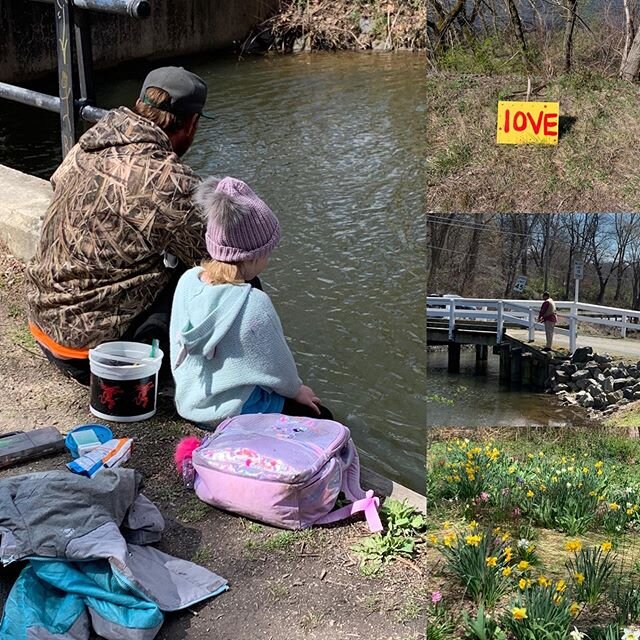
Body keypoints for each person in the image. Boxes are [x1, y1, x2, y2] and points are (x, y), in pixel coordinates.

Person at [25, 67, 212, 385]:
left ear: (141, 105)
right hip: (91, 356)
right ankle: (238, 388)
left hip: (43, 327)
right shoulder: (168, 179)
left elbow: (57, 186)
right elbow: (222, 254)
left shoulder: (91, 142)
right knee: (225, 276)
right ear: (192, 124)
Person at [170, 176, 332, 428]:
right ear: (253, 256)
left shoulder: (188, 281)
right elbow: (278, 368)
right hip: (232, 413)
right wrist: (297, 390)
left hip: (190, 404)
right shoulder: (254, 303)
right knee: (322, 417)